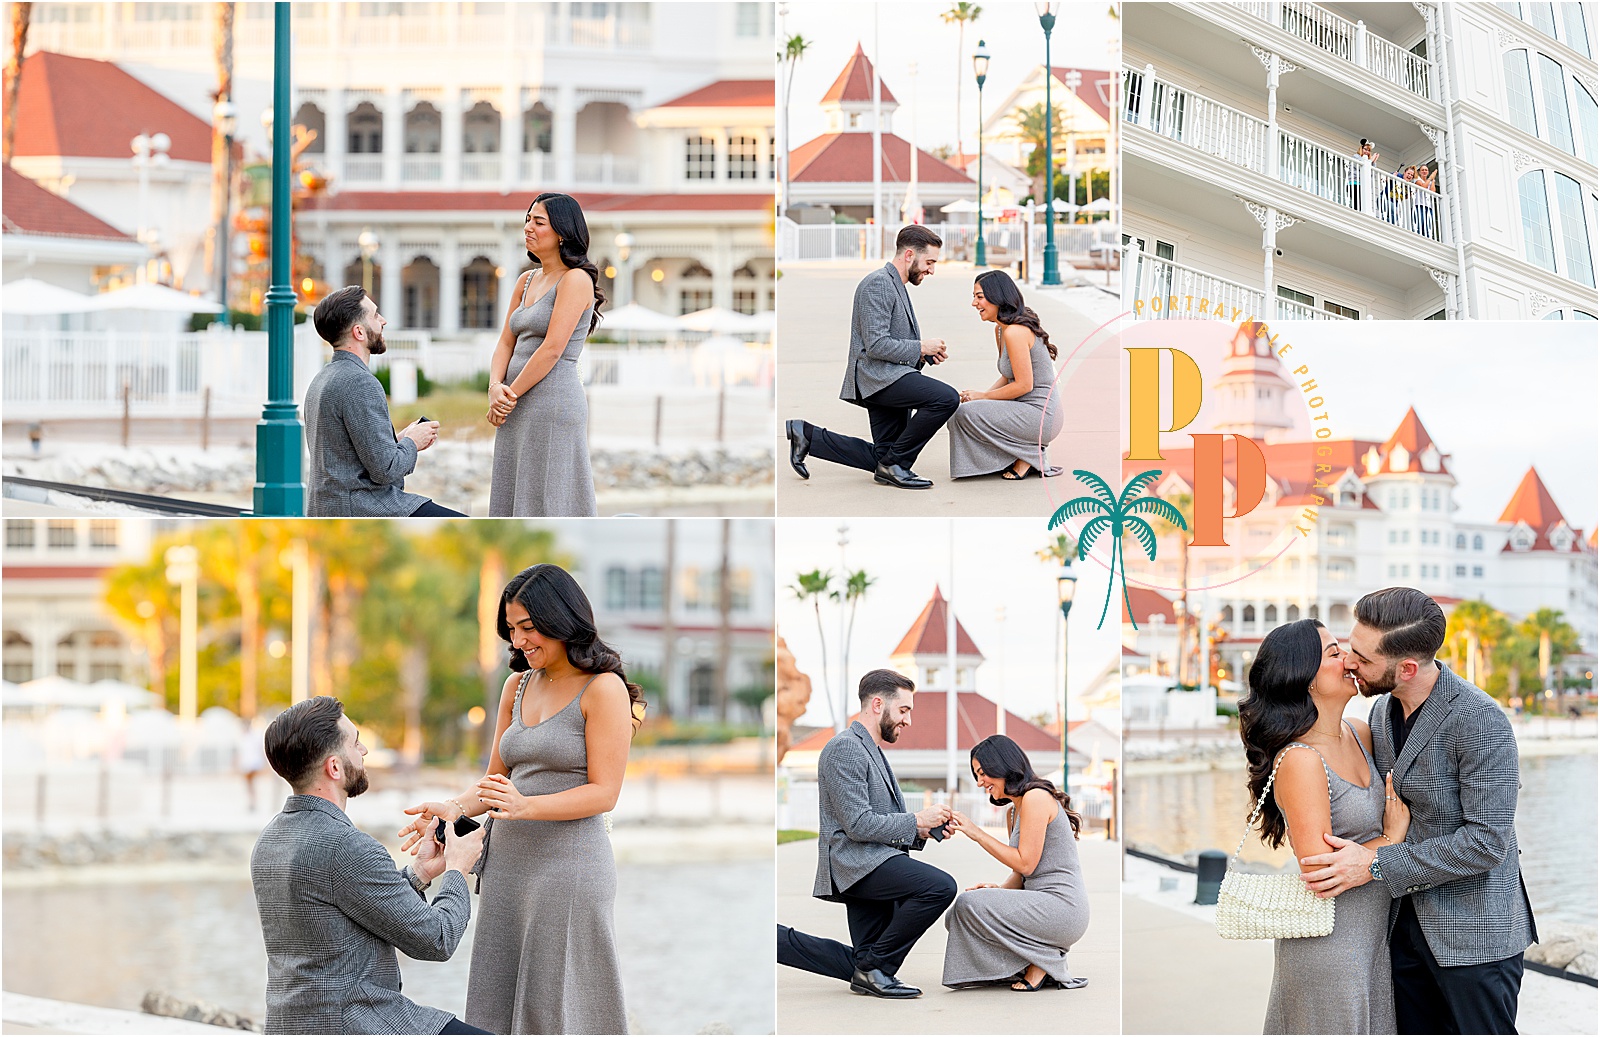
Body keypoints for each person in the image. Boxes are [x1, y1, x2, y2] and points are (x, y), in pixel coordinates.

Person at [399, 563, 645, 1034]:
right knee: (498, 994)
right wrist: (455, 807)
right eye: (511, 630)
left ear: (562, 620)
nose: (518, 641)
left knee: (555, 1005)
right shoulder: (517, 686)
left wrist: (526, 807)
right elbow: (495, 780)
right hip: (507, 864)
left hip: (569, 867)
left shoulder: (604, 689)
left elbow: (605, 792)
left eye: (528, 628)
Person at [1301, 588, 1537, 1036]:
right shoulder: (1379, 713)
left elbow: (1487, 842)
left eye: (1363, 658)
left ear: (1406, 668)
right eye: (1350, 648)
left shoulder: (1480, 720)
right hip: (1400, 934)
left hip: (1476, 939)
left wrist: (1374, 863)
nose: (1351, 662)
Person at [250, 696, 488, 1035]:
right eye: (356, 742)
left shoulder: (270, 838)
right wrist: (457, 868)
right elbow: (437, 939)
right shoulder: (346, 845)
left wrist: (419, 875)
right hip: (355, 1021)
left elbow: (349, 905)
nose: (363, 752)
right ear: (334, 768)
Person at [1237, 619, 1409, 1034]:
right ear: (1306, 679)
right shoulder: (1300, 759)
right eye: (1334, 653)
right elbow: (1319, 868)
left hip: (1373, 937)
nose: (1348, 660)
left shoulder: (1361, 733)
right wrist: (1392, 838)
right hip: (1328, 945)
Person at [777, 669, 957, 997]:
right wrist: (917, 819)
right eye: (904, 710)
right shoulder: (845, 748)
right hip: (858, 864)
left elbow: (880, 818)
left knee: (862, 962)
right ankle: (874, 971)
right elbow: (858, 824)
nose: (908, 721)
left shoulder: (868, 749)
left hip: (872, 859)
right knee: (940, 887)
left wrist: (924, 830)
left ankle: (773, 940)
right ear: (877, 704)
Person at [784, 224, 959, 490]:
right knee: (946, 399)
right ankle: (896, 466)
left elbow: (890, 340)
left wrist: (923, 355)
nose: (932, 270)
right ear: (909, 255)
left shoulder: (894, 284)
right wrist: (921, 347)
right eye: (930, 262)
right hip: (878, 378)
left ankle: (807, 435)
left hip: (890, 375)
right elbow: (876, 344)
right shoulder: (878, 284)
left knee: (883, 456)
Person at [942, 734, 1090, 992]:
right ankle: (1034, 960)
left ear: (1001, 765)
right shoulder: (1014, 810)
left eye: (982, 773)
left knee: (968, 905)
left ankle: (1043, 961)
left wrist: (976, 833)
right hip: (1041, 904)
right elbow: (1020, 876)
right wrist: (997, 892)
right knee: (958, 914)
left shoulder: (1036, 797)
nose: (979, 782)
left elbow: (1026, 864)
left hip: (1063, 908)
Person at [487, 194, 602, 517]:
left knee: (549, 497)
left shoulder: (576, 279)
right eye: (527, 219)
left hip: (552, 402)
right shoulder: (526, 280)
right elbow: (505, 343)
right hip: (515, 402)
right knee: (512, 493)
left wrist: (508, 396)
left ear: (562, 233)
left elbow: (552, 349)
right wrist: (495, 387)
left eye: (539, 222)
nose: (528, 227)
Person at [303, 286, 462, 517]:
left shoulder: (322, 378)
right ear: (359, 332)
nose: (383, 321)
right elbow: (386, 470)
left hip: (326, 508)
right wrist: (413, 443)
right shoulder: (359, 382)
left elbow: (347, 455)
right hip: (361, 508)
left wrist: (400, 440)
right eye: (376, 315)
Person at [948, 270, 1064, 480]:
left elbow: (1023, 386)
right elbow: (1008, 376)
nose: (974, 303)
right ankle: (1022, 455)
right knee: (963, 411)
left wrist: (982, 397)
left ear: (998, 298)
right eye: (974, 297)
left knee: (966, 414)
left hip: (1041, 416)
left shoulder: (1015, 332)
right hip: (1023, 409)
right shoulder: (1001, 330)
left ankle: (1029, 455)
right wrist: (978, 395)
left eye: (979, 297)